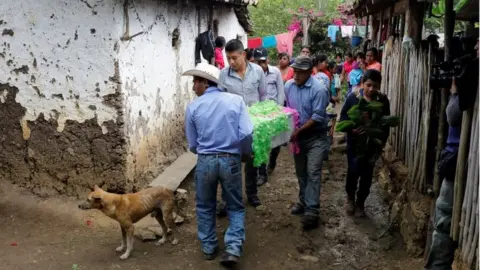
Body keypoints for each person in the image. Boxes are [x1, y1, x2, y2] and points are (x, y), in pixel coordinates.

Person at [183, 63, 253, 267]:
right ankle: (232, 248)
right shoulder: (236, 101)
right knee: (235, 206)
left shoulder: (193, 106)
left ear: (206, 83)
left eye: (196, 81)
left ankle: (209, 247)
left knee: (205, 206)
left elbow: (192, 144)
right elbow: (247, 133)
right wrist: (244, 153)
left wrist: (204, 151)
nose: (194, 85)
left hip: (205, 161)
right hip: (230, 159)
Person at [217, 39, 266, 215]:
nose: (231, 62)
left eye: (234, 58)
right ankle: (226, 200)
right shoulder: (223, 75)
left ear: (243, 55)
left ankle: (252, 194)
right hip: (232, 128)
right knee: (230, 164)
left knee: (252, 161)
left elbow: (263, 96)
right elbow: (220, 100)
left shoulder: (258, 71)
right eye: (228, 58)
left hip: (254, 126)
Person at [285, 56, 330, 230]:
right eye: (294, 71)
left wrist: (297, 131)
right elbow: (287, 109)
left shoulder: (319, 90)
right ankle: (303, 201)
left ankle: (312, 210)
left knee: (313, 172)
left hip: (316, 137)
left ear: (309, 72)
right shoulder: (289, 86)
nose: (296, 75)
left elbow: (317, 117)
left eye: (300, 72)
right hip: (298, 139)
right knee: (301, 172)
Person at [340, 69, 390, 217]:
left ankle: (361, 202)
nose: (371, 89)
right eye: (368, 85)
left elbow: (385, 125)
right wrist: (352, 130)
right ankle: (350, 198)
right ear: (363, 83)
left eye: (375, 86)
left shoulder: (382, 101)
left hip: (372, 146)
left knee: (367, 175)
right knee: (353, 171)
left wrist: (380, 144)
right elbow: (343, 119)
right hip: (355, 144)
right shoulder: (353, 98)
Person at [253, 47, 285, 177]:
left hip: (274, 111)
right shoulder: (252, 74)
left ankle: (272, 162)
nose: (261, 65)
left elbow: (281, 92)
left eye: (263, 61)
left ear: (268, 60)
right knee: (261, 141)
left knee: (276, 141)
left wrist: (278, 110)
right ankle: (262, 172)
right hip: (259, 113)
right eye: (258, 62)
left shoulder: (275, 72)